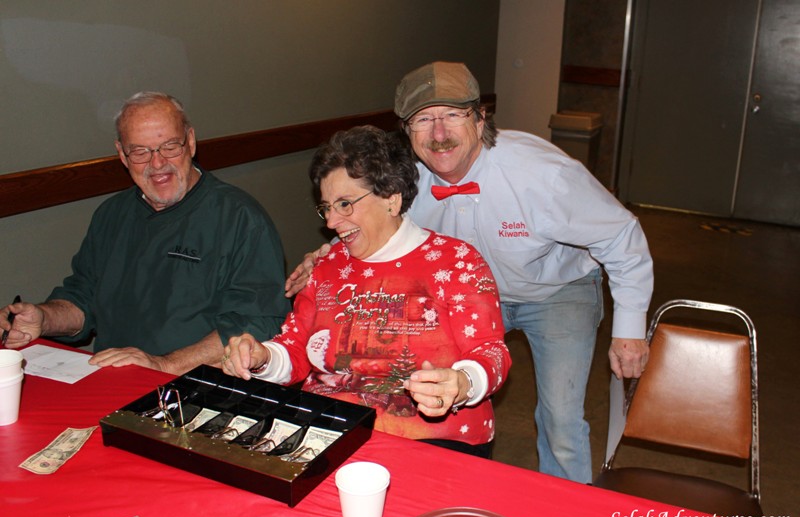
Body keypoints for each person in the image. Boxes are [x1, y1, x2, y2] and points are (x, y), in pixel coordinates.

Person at [287, 62, 654, 483]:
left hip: (554, 291)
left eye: (452, 115)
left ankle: (568, 508)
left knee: (561, 418)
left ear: (481, 119)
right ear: (406, 130)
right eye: (424, 119)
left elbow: (621, 234)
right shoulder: (405, 179)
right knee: (440, 390)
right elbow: (371, 222)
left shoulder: (544, 176)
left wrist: (629, 328)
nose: (438, 133)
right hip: (462, 299)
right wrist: (327, 252)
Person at [223, 125, 511, 458]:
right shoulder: (326, 267)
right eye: (326, 207)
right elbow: (296, 348)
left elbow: (491, 353)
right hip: (327, 431)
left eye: (345, 204)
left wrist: (463, 382)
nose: (331, 222)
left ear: (391, 198)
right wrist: (262, 357)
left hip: (433, 439)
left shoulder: (457, 262)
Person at [0, 92, 290, 375]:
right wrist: (44, 318)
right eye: (140, 151)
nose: (157, 163)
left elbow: (257, 321)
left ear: (190, 142)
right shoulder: (111, 214)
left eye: (169, 146)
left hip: (195, 385)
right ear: (122, 155)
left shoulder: (239, 216)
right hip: (109, 377)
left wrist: (164, 365)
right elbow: (83, 297)